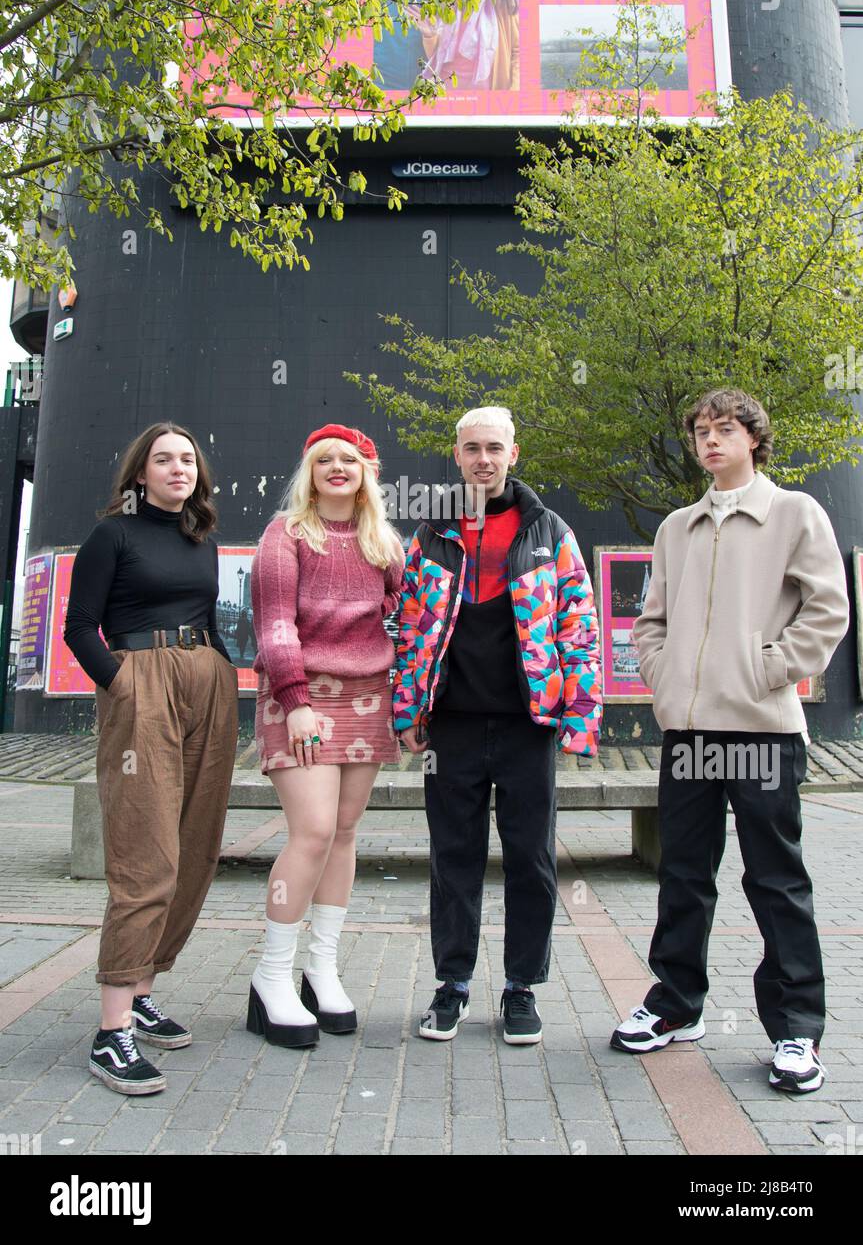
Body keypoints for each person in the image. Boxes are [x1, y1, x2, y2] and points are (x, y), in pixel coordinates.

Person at [610, 389, 849, 1095]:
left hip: (760, 730)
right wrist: (662, 676)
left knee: (774, 881)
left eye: (724, 429)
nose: (709, 440)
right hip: (687, 731)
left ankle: (795, 1030)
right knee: (683, 875)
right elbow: (648, 623)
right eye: (699, 432)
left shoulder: (793, 513)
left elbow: (826, 610)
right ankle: (675, 1006)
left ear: (753, 438)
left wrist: (765, 670)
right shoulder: (676, 528)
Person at [394, 406, 601, 1044]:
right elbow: (404, 627)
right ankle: (451, 985)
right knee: (452, 858)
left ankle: (521, 989)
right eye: (471, 448)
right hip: (450, 727)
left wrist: (579, 719)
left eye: (494, 448)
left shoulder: (549, 532)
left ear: (515, 455)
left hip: (527, 726)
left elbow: (579, 626)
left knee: (531, 859)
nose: (483, 459)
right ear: (456, 456)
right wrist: (407, 711)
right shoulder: (429, 535)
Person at [64, 423, 239, 1095]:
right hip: (142, 685)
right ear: (140, 474)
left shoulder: (201, 538)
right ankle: (110, 1034)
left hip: (206, 684)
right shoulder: (114, 534)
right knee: (146, 853)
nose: (177, 468)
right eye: (163, 459)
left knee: (195, 847)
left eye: (187, 458)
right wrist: (121, 682)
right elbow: (80, 625)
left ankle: (141, 990)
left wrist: (221, 674)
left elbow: (210, 617)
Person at [248, 424, 405, 1047]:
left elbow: (409, 617)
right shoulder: (284, 536)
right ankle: (271, 976)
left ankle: (322, 967)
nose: (337, 468)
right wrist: (295, 701)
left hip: (369, 696)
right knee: (311, 832)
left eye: (349, 460)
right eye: (324, 461)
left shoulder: (382, 542)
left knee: (342, 832)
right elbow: (274, 623)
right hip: (302, 697)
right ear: (309, 473)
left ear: (366, 472)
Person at [421, 0, 520, 91]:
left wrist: (515, 90)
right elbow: (435, 56)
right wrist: (429, 36)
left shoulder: (503, 5)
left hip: (487, 92)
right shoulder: (446, 7)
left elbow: (518, 53)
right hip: (446, 89)